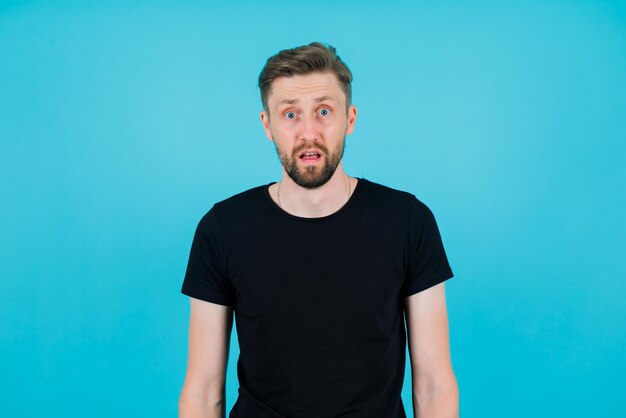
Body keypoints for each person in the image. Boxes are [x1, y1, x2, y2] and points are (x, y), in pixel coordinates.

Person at [178, 42, 459, 418]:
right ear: (268, 125)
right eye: (290, 114)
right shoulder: (222, 229)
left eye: (323, 111)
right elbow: (202, 391)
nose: (308, 132)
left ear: (350, 119)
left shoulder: (408, 221)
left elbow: (435, 385)